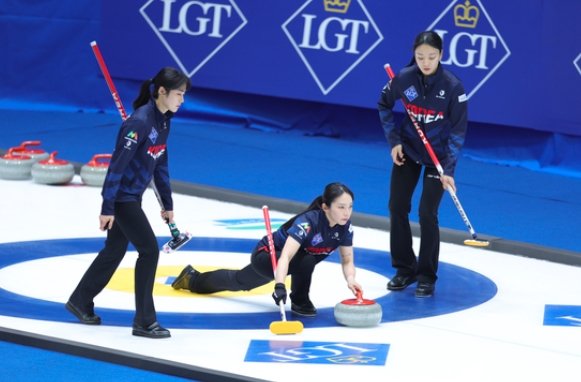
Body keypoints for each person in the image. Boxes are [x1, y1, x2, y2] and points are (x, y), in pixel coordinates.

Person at [66, 67, 192, 338]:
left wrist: (167, 204)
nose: (182, 100)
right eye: (179, 94)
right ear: (162, 91)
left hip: (133, 196)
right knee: (149, 251)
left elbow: (160, 163)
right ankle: (144, 321)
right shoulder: (139, 122)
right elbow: (116, 168)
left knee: (114, 251)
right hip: (123, 199)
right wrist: (107, 207)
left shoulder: (164, 120)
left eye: (184, 95)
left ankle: (79, 300)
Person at [171, 182, 362, 317]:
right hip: (267, 255)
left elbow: (347, 260)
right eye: (341, 207)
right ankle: (300, 299)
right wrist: (279, 286)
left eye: (350, 207)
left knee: (241, 281)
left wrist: (351, 279)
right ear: (325, 207)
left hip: (290, 261)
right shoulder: (308, 222)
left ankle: (192, 279)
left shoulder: (345, 227)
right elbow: (286, 256)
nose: (347, 213)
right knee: (306, 260)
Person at [377, 31, 468, 298]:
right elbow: (383, 103)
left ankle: (426, 275)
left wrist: (448, 170)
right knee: (397, 206)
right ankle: (405, 268)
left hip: (437, 160)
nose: (425, 62)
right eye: (420, 57)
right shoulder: (403, 78)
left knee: (427, 214)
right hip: (409, 152)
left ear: (441, 55)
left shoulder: (453, 87)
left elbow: (458, 131)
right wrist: (394, 141)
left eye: (431, 57)